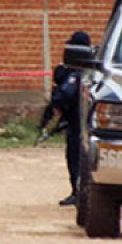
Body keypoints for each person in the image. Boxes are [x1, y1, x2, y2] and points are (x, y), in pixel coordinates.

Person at [52, 31, 91, 206]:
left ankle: (79, 192)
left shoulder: (76, 73)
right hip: (88, 121)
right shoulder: (93, 69)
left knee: (76, 157)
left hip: (78, 121)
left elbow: (63, 96)